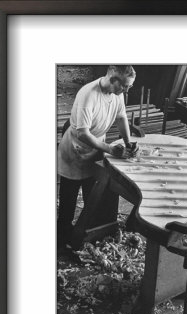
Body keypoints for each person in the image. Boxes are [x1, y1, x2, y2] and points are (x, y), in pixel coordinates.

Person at [57, 65, 139, 258]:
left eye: (129, 87)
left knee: (92, 196)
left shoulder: (117, 94)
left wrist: (128, 142)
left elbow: (121, 117)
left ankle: (85, 236)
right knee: (68, 203)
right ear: (113, 79)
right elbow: (82, 133)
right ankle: (61, 243)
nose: (127, 91)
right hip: (75, 152)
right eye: (125, 86)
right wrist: (110, 149)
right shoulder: (88, 95)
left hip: (96, 149)